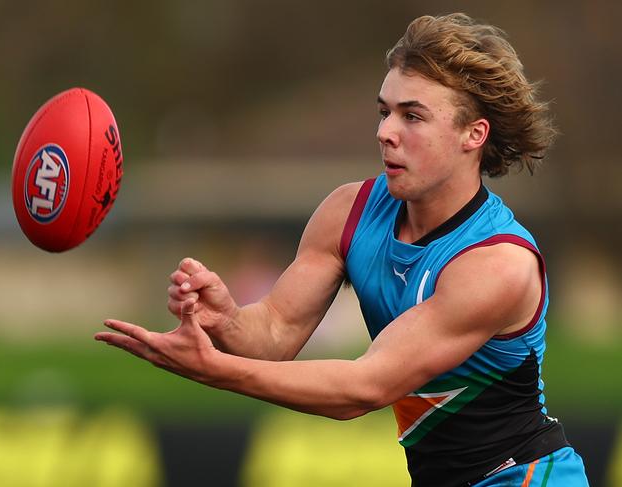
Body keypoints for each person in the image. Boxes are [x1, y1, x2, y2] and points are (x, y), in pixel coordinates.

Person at [95, 13, 590, 486]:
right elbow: (275, 332)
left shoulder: (497, 263)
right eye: (385, 111)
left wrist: (215, 370)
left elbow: (364, 388)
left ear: (473, 135)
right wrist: (225, 321)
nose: (385, 132)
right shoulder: (348, 213)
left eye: (412, 116)